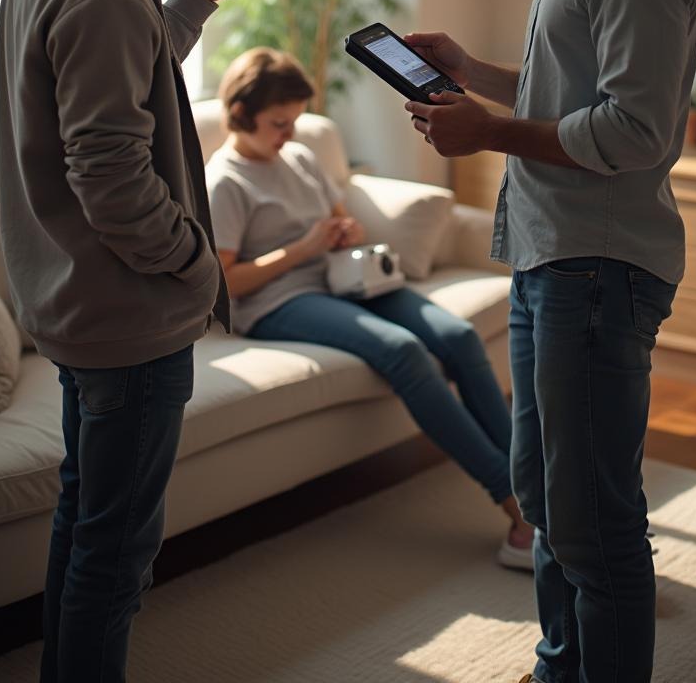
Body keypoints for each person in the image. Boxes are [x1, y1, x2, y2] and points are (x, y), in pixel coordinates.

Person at [404, 0, 696, 683]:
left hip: (596, 271)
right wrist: (473, 75)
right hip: (550, 260)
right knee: (545, 503)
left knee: (594, 524)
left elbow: (633, 131)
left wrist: (486, 133)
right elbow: (566, 94)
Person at [0, 0, 262, 683]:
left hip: (77, 307)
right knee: (114, 562)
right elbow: (110, 174)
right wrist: (194, 262)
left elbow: (128, 81)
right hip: (129, 316)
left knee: (84, 529)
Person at [204, 46, 536, 569]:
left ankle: (536, 489)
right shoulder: (226, 180)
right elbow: (225, 283)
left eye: (294, 122)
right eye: (278, 123)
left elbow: (338, 216)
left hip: (344, 279)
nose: (288, 134)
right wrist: (304, 249)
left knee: (457, 336)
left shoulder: (299, 157)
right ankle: (518, 510)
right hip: (278, 300)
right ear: (241, 113)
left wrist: (345, 230)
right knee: (404, 351)